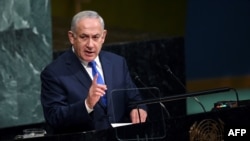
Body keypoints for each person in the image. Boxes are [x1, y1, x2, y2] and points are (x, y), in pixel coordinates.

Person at [40, 10, 147, 134]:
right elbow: (54, 118)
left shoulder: (117, 63)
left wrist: (138, 108)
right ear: (71, 37)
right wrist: (87, 104)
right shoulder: (54, 72)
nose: (90, 45)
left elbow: (134, 99)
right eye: (84, 37)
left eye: (95, 37)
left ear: (103, 36)